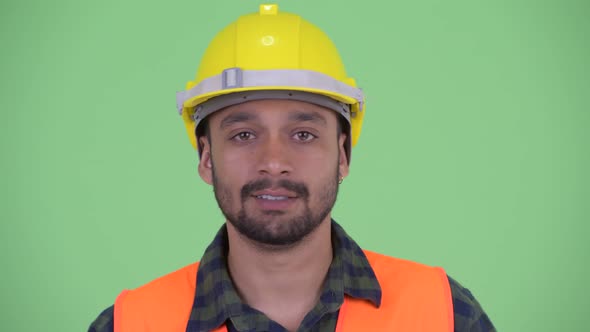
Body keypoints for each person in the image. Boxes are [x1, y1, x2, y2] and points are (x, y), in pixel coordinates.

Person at [89, 4, 495, 331]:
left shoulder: (446, 315)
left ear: (343, 155)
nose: (274, 162)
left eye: (303, 134)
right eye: (244, 135)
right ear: (206, 158)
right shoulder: (129, 324)